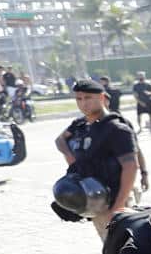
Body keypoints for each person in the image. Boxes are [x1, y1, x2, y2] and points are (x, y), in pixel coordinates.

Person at [55, 79, 139, 239]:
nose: (83, 103)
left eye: (88, 98)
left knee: (124, 248)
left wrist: (118, 207)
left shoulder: (116, 128)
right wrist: (71, 158)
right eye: (79, 99)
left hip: (116, 198)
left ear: (101, 98)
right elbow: (60, 140)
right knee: (109, 247)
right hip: (95, 199)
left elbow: (131, 166)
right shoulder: (81, 125)